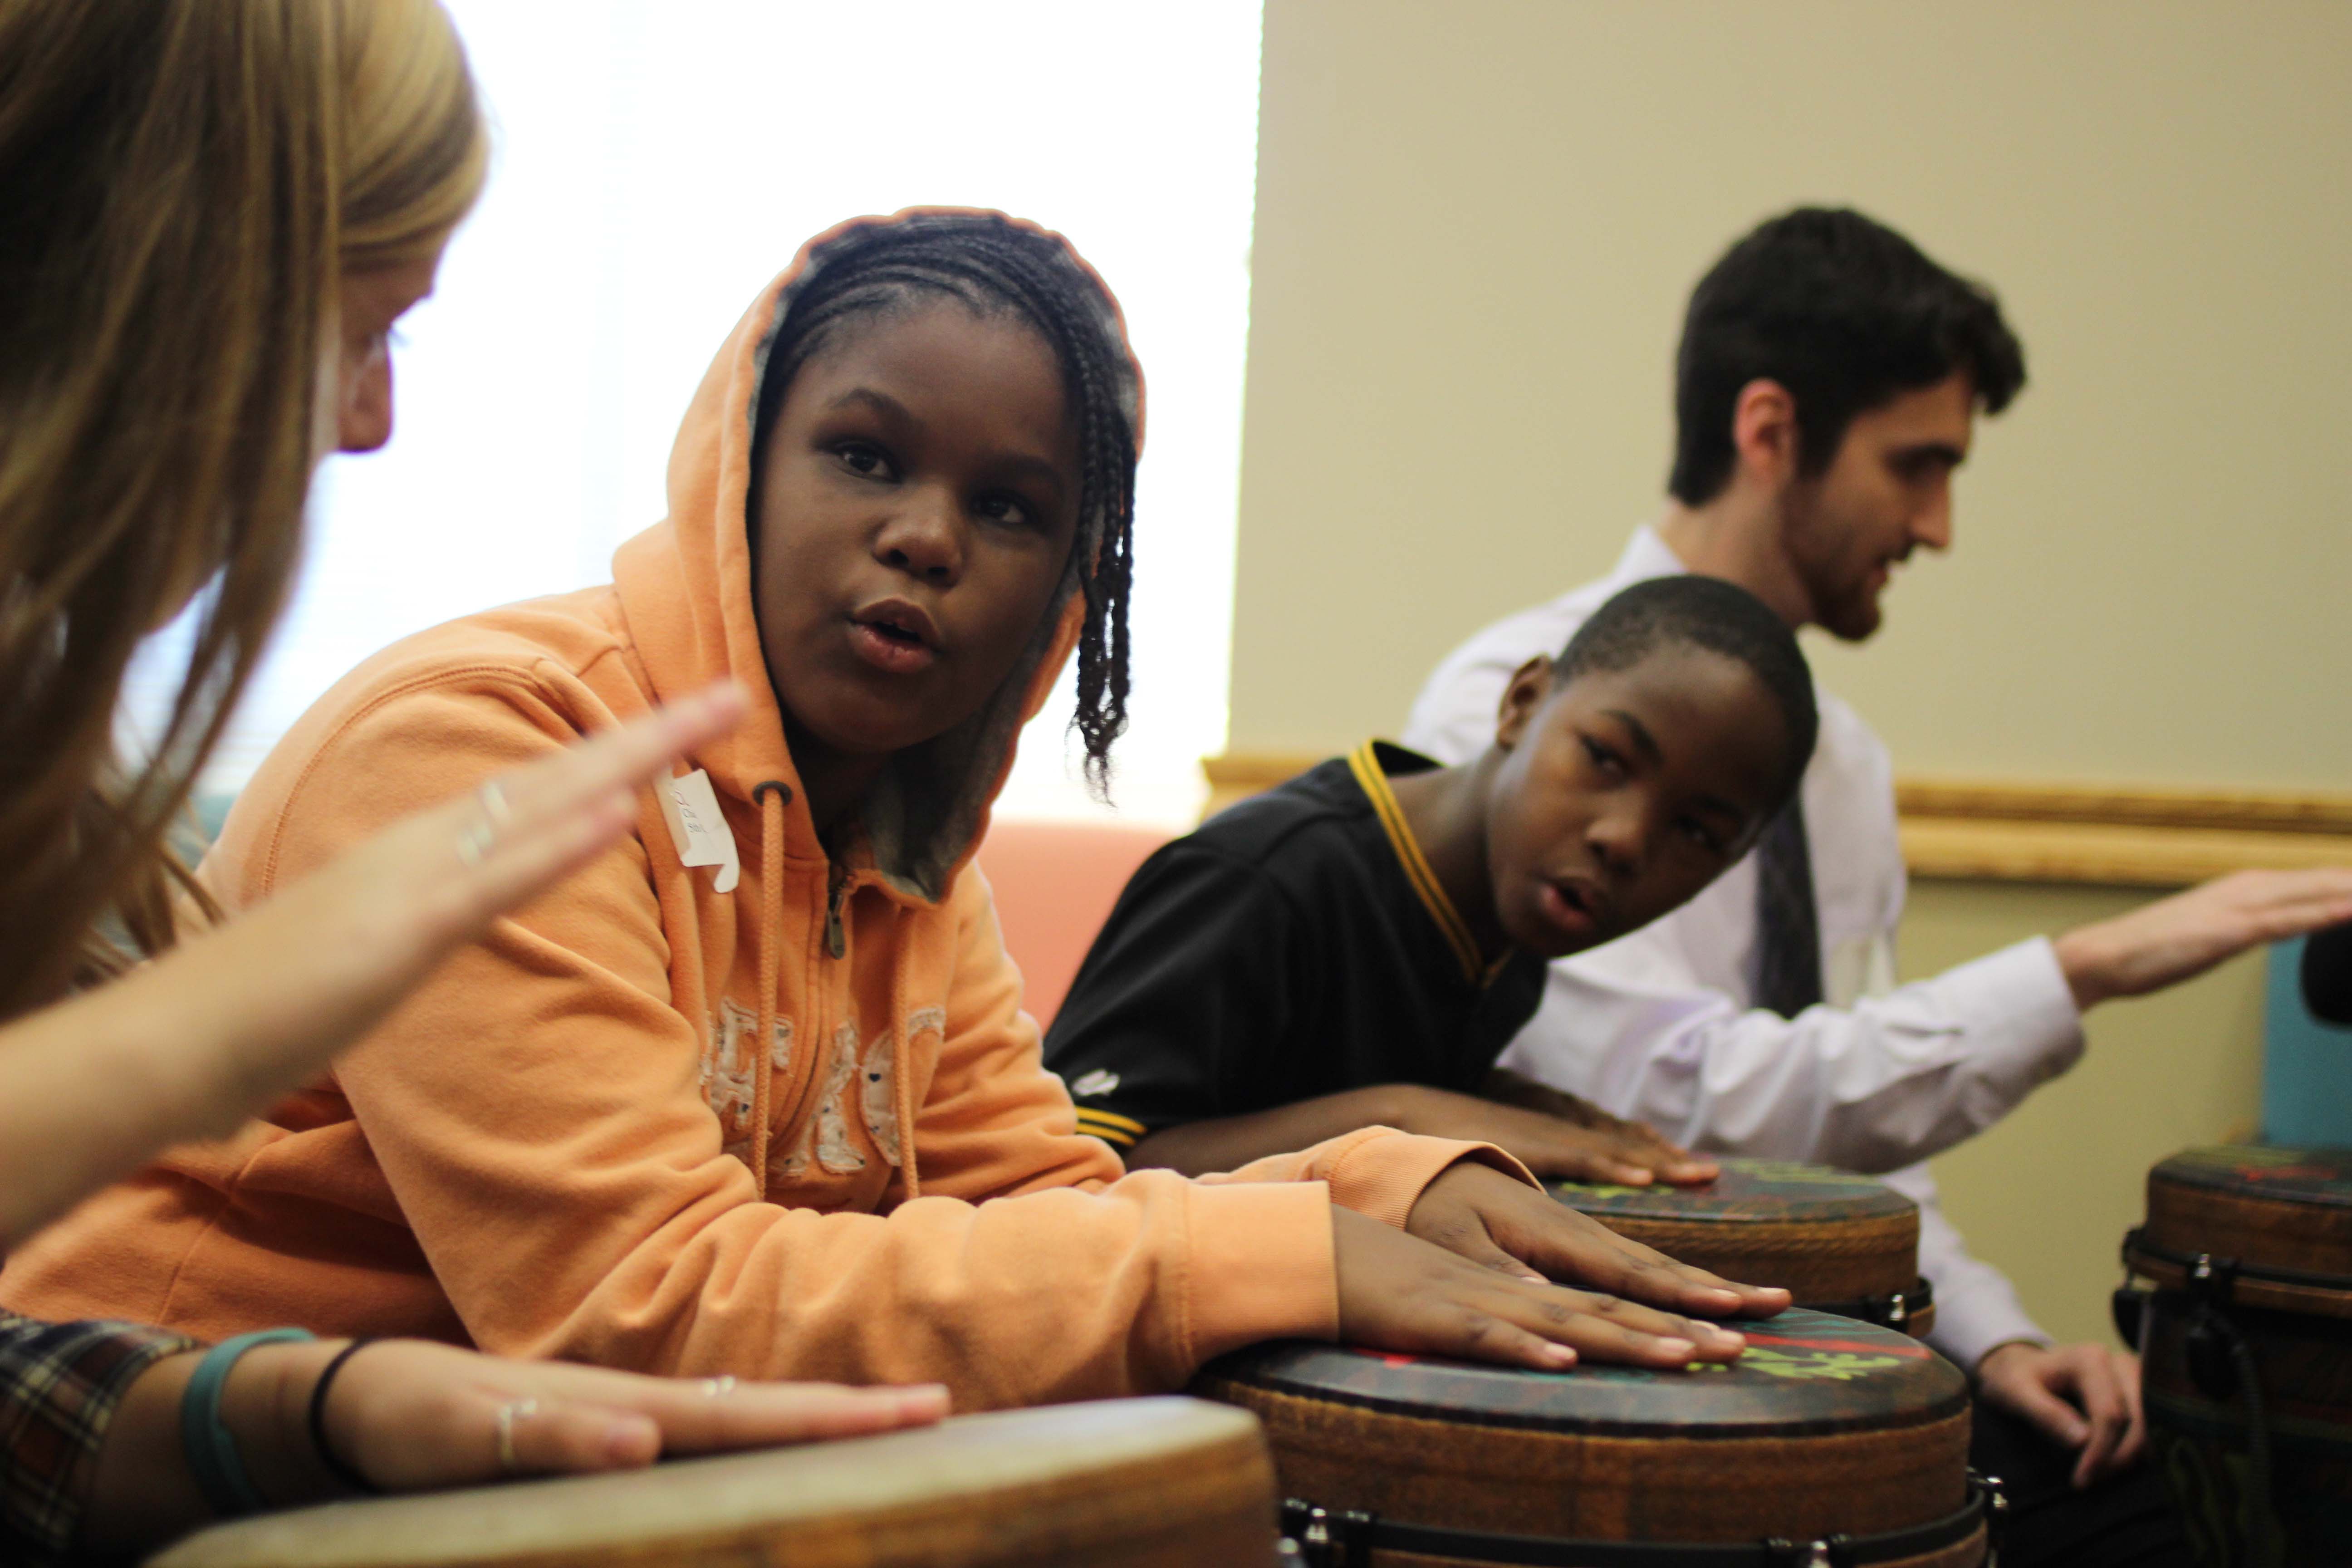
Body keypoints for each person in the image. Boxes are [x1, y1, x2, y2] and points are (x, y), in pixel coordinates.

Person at [3, 209, 1794, 1419]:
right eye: (867, 457)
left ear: (1067, 592)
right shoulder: (480, 755)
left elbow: (1044, 1184)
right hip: (173, 1456)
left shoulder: (899, 857)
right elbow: (649, 1307)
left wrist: (1388, 1184)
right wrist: (1278, 1246)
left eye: (1012, 509)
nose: (929, 535)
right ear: (739, 471)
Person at [0, 3, 953, 1558]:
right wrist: (214, 1017)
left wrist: (308, 1414)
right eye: (361, 321)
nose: (371, 420)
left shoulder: (897, 841)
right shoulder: (483, 723)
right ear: (147, 278)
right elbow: (655, 1291)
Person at [1404, 206, 2352, 1565]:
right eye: (1917, 467)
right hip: (1598, 1350)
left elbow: (1853, 1131)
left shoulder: (1839, 764)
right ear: (1771, 430)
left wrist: (1998, 1336)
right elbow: (1681, 1115)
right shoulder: (1528, 712)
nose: (1940, 526)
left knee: (2166, 1488)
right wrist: (2089, 967)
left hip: (1815, 1336)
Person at [1045, 576, 1812, 1186]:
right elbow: (1074, 1171)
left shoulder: (1510, 915)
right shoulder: (1265, 878)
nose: (1626, 839)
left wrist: (1496, 1101)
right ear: (1522, 703)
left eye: (1697, 832)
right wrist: (1402, 1120)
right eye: (1606, 758)